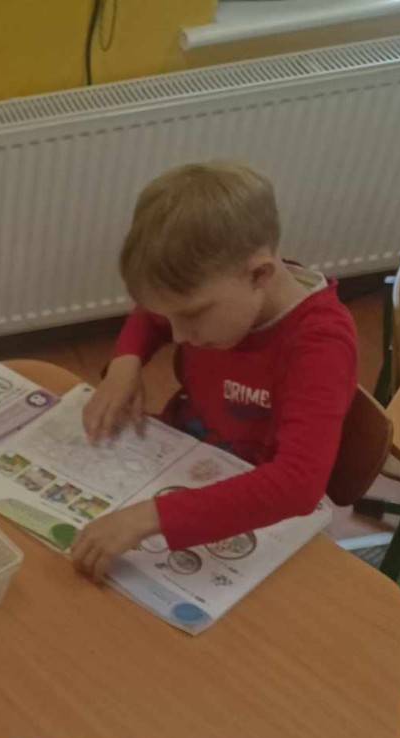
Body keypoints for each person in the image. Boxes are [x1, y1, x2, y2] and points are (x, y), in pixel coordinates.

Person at [72, 162, 357, 580]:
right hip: (185, 459)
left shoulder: (320, 343)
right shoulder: (220, 292)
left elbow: (297, 484)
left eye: (191, 315)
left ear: (259, 274)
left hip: (258, 509)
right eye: (171, 317)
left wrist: (150, 518)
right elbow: (153, 316)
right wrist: (125, 363)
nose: (178, 335)